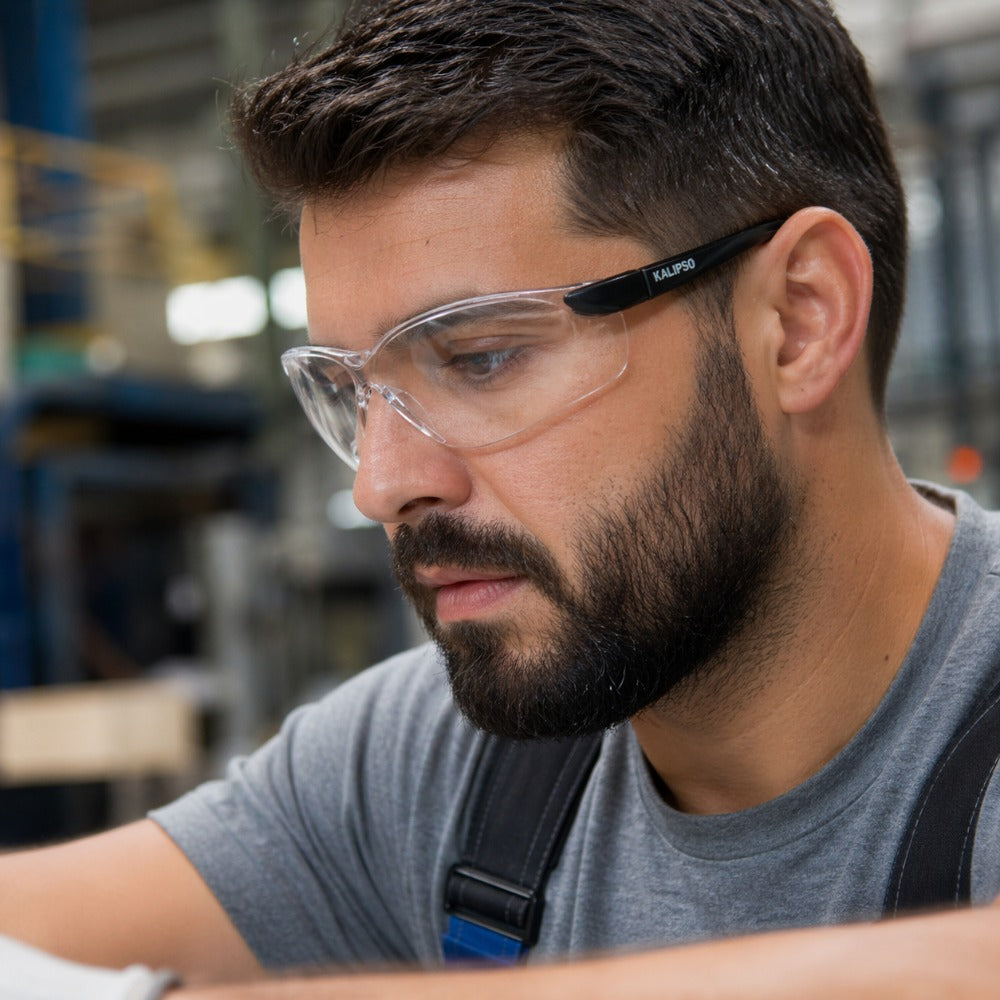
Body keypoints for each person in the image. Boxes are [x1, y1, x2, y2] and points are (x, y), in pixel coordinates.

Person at [2, 0, 1000, 996]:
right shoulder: (432, 771)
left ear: (796, 320)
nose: (383, 483)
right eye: (351, 391)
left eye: (481, 358)